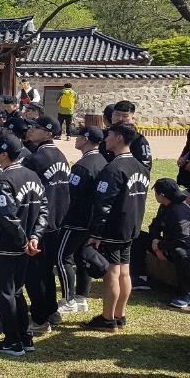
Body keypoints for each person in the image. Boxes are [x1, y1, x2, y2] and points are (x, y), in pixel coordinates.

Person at [84, 122, 150, 332]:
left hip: (114, 228)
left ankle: (107, 318)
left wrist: (96, 233)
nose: (106, 138)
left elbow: (103, 204)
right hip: (131, 227)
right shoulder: (140, 167)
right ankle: (120, 315)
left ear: (119, 138)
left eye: (109, 134)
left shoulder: (113, 169)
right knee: (124, 271)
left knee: (112, 273)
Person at [0, 135, 48, 356]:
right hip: (28, 245)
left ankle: (13, 341)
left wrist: (24, 241)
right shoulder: (32, 175)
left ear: (4, 154)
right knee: (17, 292)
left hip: (9, 245)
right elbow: (44, 209)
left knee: (5, 293)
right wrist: (34, 237)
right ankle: (24, 337)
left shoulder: (3, 181)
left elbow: (7, 217)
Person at [22, 116, 70, 334]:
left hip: (40, 223)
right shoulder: (60, 155)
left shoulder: (35, 159)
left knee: (35, 274)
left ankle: (40, 319)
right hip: (58, 220)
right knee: (46, 270)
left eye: (37, 127)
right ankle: (51, 310)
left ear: (49, 133)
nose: (32, 130)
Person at [57, 126, 107, 314]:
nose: (75, 139)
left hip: (76, 219)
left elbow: (71, 194)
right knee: (81, 257)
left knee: (62, 257)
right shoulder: (102, 160)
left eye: (78, 136)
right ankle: (81, 297)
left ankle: (69, 300)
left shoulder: (83, 165)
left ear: (85, 139)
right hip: (92, 219)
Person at [147, 178, 190, 308]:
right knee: (138, 237)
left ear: (162, 195)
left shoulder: (179, 211)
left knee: (180, 253)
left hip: (183, 248)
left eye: (156, 192)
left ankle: (186, 293)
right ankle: (140, 278)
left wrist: (160, 246)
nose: (155, 195)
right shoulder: (165, 206)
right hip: (167, 244)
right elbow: (154, 226)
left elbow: (184, 241)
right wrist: (155, 241)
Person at [100, 100, 152, 170]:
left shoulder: (138, 140)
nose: (120, 119)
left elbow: (145, 166)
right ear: (112, 116)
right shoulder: (102, 135)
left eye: (125, 116)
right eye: (117, 115)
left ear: (132, 118)